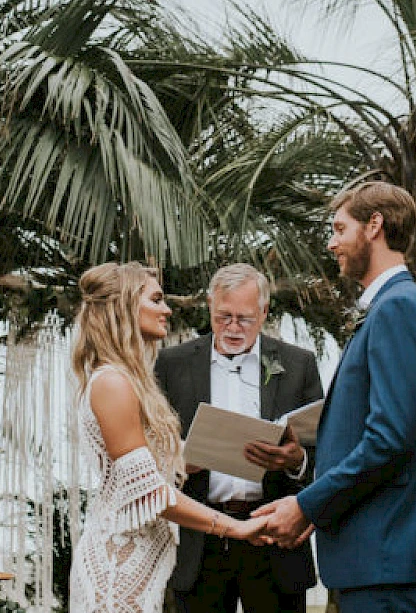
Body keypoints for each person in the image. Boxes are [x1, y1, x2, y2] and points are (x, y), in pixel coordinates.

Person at [253, 182, 416, 613]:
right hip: (380, 559)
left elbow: (388, 440)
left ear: (374, 226)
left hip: (387, 557)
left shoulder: (399, 309)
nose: (332, 243)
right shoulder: (397, 307)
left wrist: (306, 505)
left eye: (339, 228)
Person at [68, 262, 268, 613]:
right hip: (119, 563)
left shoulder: (131, 379)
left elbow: (160, 467)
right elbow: (150, 492)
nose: (167, 309)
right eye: (156, 299)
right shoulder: (112, 383)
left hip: (143, 561)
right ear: (125, 306)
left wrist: (238, 443)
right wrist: (234, 528)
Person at [155, 264, 323, 613]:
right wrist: (179, 463)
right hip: (201, 543)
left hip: (273, 539)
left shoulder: (298, 364)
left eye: (244, 318)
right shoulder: (172, 364)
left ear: (264, 311)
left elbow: (323, 453)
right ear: (209, 306)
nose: (232, 328)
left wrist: (296, 461)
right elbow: (151, 450)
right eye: (223, 317)